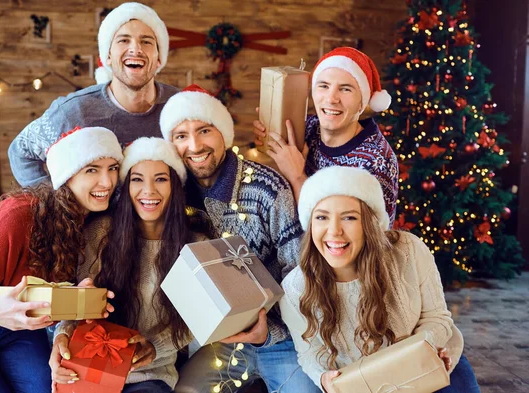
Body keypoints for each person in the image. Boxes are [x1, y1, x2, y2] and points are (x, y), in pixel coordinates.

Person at [0, 126, 123, 393]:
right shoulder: (17, 215)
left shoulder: (88, 220)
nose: (107, 182)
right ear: (67, 175)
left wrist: (75, 300)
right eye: (92, 169)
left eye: (112, 168)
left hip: (18, 332)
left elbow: (41, 296)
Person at [160, 85, 320, 393]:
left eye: (204, 130)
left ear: (223, 133)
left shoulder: (266, 189)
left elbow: (300, 273)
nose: (194, 145)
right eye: (181, 135)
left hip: (284, 340)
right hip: (222, 345)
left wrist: (268, 331)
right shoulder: (172, 197)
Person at [279, 166, 480, 393]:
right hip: (369, 385)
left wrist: (424, 350)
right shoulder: (295, 288)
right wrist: (323, 378)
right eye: (322, 217)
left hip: (435, 365)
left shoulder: (408, 250)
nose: (334, 231)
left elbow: (437, 317)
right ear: (311, 224)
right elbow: (309, 353)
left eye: (349, 217)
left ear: (369, 224)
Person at [50, 137, 204, 393]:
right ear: (126, 186)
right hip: (88, 366)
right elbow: (76, 302)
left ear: (175, 186)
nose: (149, 190)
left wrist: (156, 346)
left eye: (161, 179)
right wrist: (62, 337)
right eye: (137, 179)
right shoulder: (99, 233)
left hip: (149, 375)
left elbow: (196, 318)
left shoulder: (196, 245)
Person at [8, 2, 178, 187]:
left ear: (159, 57)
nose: (135, 49)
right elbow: (21, 151)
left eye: (146, 41)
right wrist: (52, 202)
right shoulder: (74, 111)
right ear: (108, 56)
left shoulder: (180, 107)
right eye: (123, 40)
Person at [253, 47, 398, 226]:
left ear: (362, 102)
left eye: (345, 89)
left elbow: (339, 238)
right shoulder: (309, 128)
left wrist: (298, 177)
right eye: (324, 86)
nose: (331, 99)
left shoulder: (375, 162)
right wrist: (269, 132)